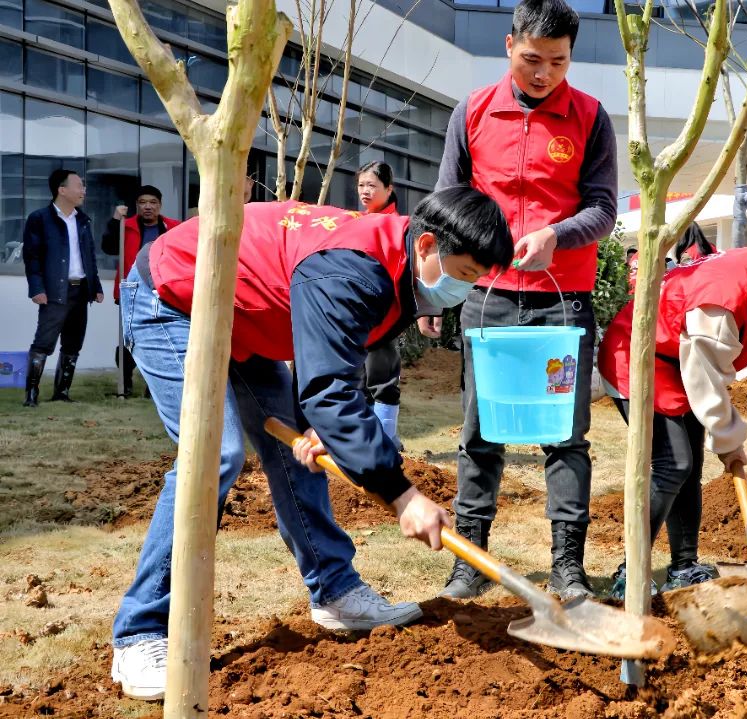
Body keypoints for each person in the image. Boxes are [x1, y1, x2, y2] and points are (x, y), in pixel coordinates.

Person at [110, 186, 514, 700]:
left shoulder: (399, 266)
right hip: (174, 296)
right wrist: (403, 496)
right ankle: (139, 633)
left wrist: (328, 426)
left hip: (248, 317)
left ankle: (336, 592)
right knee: (214, 454)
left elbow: (339, 360)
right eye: (463, 276)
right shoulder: (353, 269)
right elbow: (327, 390)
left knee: (299, 449)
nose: (462, 291)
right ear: (428, 245)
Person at [435, 0, 617, 600]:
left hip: (561, 303)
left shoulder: (590, 117)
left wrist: (556, 235)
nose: (543, 74)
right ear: (508, 44)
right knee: (480, 432)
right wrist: (439, 289)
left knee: (565, 436)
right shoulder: (473, 111)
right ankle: (470, 560)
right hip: (487, 298)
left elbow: (604, 210)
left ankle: (567, 565)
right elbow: (446, 204)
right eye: (532, 59)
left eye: (558, 62)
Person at [597, 214, 747, 597]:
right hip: (640, 356)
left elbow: (708, 369)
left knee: (689, 467)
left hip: (679, 361)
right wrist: (728, 437)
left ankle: (682, 567)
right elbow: (705, 376)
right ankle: (631, 571)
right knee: (671, 463)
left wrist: (725, 435)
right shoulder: (723, 296)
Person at [21, 169, 105, 407]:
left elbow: (89, 256)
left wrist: (96, 286)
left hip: (81, 290)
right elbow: (32, 258)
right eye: (79, 185)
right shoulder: (40, 219)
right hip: (55, 291)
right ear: (62, 190)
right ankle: (31, 395)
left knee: (73, 343)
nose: (83, 190)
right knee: (44, 342)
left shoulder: (83, 220)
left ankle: (62, 392)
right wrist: (36, 288)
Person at [102, 185, 181, 397]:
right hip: (131, 291)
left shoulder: (173, 227)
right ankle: (125, 383)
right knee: (128, 341)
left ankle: (153, 387)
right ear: (137, 205)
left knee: (161, 342)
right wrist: (114, 221)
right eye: (143, 202)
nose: (148, 207)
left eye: (153, 202)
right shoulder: (124, 226)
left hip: (162, 292)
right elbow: (108, 247)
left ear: (160, 205)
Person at [356, 161, 408, 449]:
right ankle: (366, 441)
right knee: (358, 378)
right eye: (361, 185)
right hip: (358, 313)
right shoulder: (359, 220)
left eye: (372, 185)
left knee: (382, 377)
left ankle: (387, 438)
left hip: (385, 313)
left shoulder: (397, 226)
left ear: (389, 189)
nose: (365, 191)